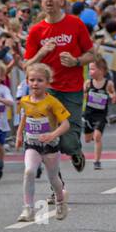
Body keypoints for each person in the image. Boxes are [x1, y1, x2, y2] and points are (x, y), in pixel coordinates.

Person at [24, 0, 93, 173]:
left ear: (62, 1)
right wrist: (42, 53)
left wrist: (76, 61)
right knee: (49, 141)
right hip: (48, 91)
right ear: (41, 1)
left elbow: (92, 54)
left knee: (69, 142)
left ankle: (75, 151)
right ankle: (57, 187)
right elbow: (26, 65)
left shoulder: (75, 24)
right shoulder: (36, 31)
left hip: (72, 89)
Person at [15, 63, 70, 223]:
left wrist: (52, 134)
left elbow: (66, 124)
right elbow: (24, 119)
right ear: (26, 81)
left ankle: (60, 201)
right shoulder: (24, 101)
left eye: (39, 80)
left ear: (47, 83)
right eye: (32, 80)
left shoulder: (52, 102)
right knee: (29, 172)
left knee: (53, 179)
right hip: (32, 145)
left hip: (50, 146)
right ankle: (28, 209)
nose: (35, 83)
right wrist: (19, 135)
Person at [82, 55, 116, 169]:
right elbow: (83, 95)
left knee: (97, 137)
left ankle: (97, 161)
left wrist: (111, 95)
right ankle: (92, 134)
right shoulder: (88, 83)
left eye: (92, 69)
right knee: (87, 140)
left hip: (101, 115)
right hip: (88, 114)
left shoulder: (108, 83)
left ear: (101, 70)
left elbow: (113, 95)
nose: (90, 71)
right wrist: (85, 93)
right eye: (89, 69)